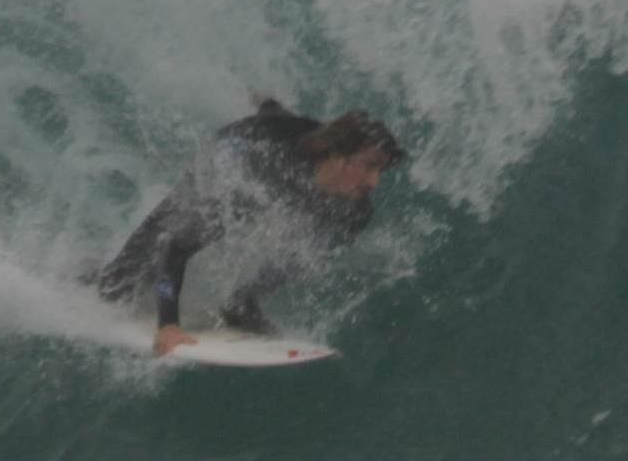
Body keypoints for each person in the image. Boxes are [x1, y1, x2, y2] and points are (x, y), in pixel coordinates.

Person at [92, 102, 405, 355]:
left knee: (313, 249)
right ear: (338, 157)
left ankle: (242, 301)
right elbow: (173, 245)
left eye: (381, 170)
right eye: (370, 166)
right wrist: (168, 325)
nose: (374, 181)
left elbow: (292, 125)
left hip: (279, 132)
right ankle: (97, 274)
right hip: (232, 153)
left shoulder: (354, 212)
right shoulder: (263, 177)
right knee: (120, 283)